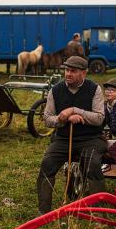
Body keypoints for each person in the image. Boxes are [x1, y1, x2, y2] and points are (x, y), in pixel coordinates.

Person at [37, 56, 106, 214]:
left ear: (84, 73)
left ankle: (98, 212)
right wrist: (63, 118)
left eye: (73, 71)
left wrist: (75, 110)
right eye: (66, 70)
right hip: (63, 139)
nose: (68, 74)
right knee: (47, 164)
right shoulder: (55, 90)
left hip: (91, 139)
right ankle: (43, 212)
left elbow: (99, 118)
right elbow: (47, 119)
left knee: (93, 166)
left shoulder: (94, 89)